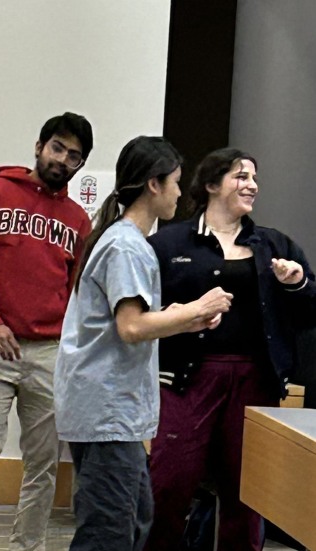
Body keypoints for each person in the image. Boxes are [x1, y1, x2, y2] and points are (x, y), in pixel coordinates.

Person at [54, 136, 233, 551]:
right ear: (153, 184)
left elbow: (133, 324)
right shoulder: (126, 245)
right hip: (105, 412)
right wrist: (196, 309)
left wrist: (185, 320)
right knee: (109, 533)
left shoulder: (124, 240)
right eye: (174, 182)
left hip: (114, 413)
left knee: (134, 521)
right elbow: (131, 327)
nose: (178, 193)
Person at [144, 149, 316, 551]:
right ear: (210, 184)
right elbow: (141, 312)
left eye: (254, 177)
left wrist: (295, 284)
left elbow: (311, 312)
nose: (251, 184)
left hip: (255, 381)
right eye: (240, 176)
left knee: (247, 492)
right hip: (184, 379)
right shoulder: (168, 244)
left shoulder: (276, 244)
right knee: (169, 483)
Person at [0, 112, 93, 551]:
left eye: (74, 156)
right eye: (57, 148)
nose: (63, 160)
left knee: (43, 460)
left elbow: (75, 289)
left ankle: (27, 545)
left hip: (50, 349)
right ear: (39, 146)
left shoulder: (77, 220)